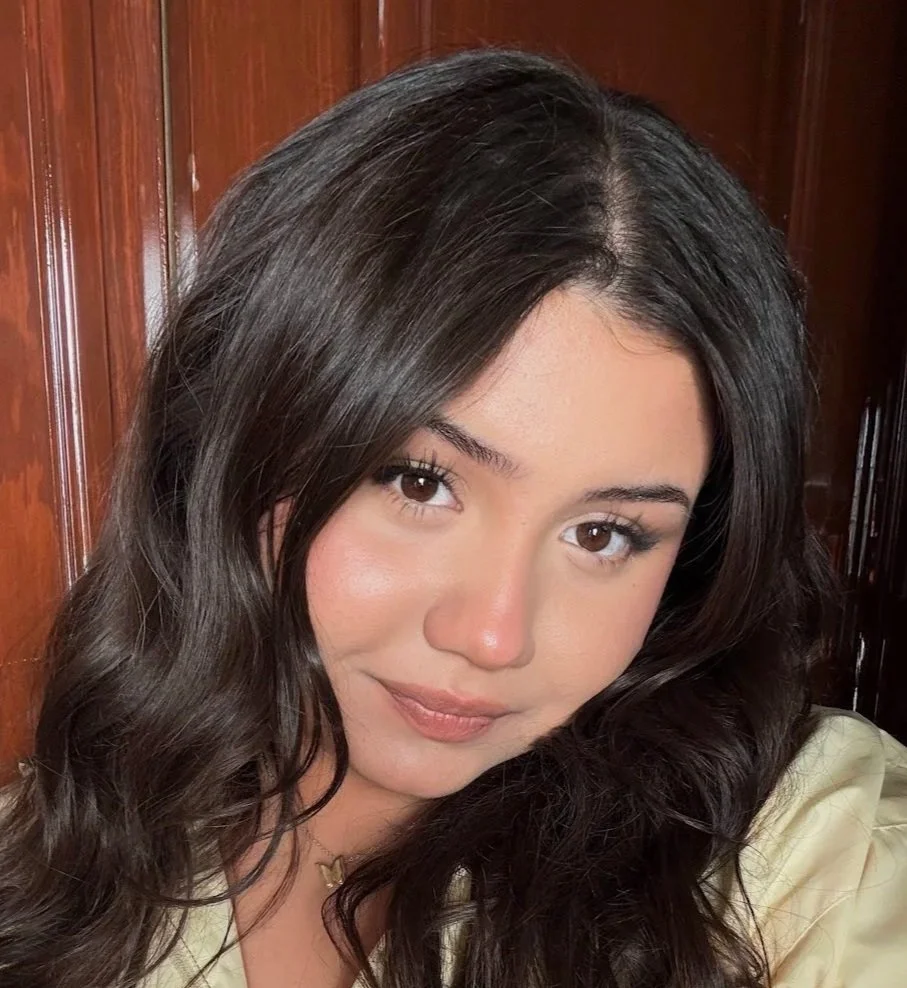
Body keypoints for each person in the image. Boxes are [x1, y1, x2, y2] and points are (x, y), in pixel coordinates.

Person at [1, 47, 905, 988]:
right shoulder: (42, 872)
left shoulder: (819, 857)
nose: (491, 636)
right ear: (237, 439)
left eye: (603, 535)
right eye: (419, 482)